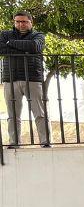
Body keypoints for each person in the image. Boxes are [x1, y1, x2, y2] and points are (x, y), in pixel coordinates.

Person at [1, 11, 47, 148]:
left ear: (31, 22)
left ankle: (45, 142)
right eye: (18, 21)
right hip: (10, 78)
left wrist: (11, 44)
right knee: (12, 115)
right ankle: (14, 143)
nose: (21, 24)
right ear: (14, 22)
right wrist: (25, 49)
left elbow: (35, 46)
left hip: (32, 78)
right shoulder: (5, 35)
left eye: (24, 21)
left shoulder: (38, 35)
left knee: (40, 113)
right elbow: (1, 49)